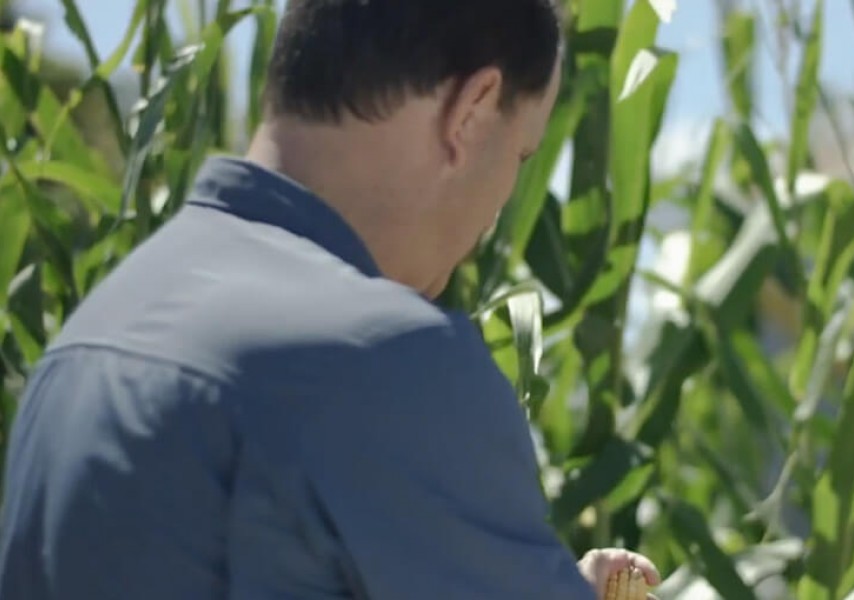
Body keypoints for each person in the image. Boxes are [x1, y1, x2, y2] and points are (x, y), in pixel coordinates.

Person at [0, 1, 661, 598]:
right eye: (521, 155)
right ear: (472, 111)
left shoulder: (82, 345)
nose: (499, 210)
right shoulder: (393, 363)